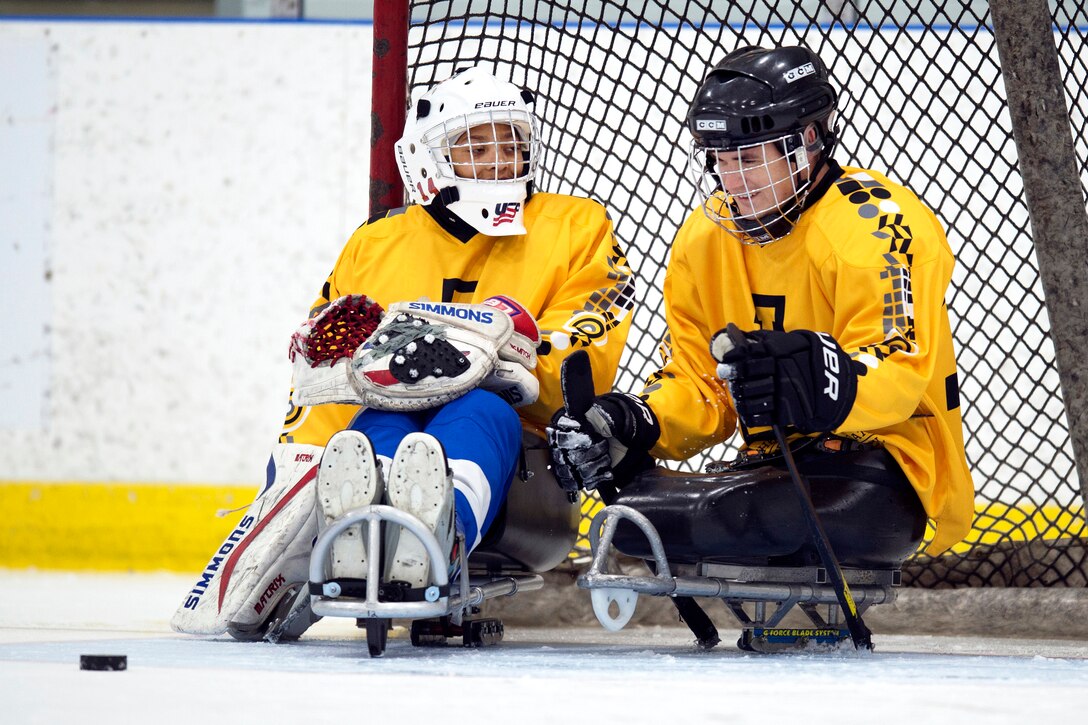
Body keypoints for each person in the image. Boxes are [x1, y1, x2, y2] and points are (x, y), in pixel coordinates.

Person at [171, 66, 635, 640]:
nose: (499, 159)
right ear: (430, 158)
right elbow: (327, 375)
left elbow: (588, 348)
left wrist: (512, 345)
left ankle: (431, 540)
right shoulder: (375, 244)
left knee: (480, 410)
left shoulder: (576, 225)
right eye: (477, 144)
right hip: (387, 423)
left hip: (524, 467)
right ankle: (363, 539)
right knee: (365, 431)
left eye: (511, 142)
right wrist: (300, 464)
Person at [548, 45, 974, 570]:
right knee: (637, 518)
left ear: (808, 142)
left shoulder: (873, 224)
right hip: (769, 466)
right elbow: (702, 387)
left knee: (727, 517)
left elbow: (899, 372)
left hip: (883, 464)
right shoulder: (704, 240)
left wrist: (819, 379)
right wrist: (638, 418)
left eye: (748, 159)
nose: (731, 180)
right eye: (721, 162)